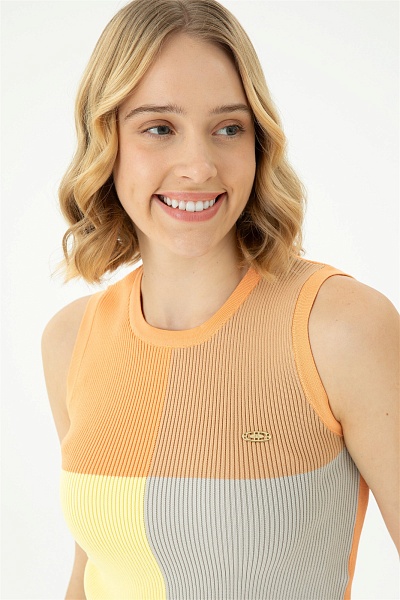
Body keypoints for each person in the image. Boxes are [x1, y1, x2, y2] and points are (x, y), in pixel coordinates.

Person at [41, 0, 399, 598]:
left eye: (229, 128)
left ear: (258, 142)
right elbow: (90, 574)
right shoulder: (70, 339)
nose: (199, 166)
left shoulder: (339, 327)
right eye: (160, 128)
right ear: (106, 140)